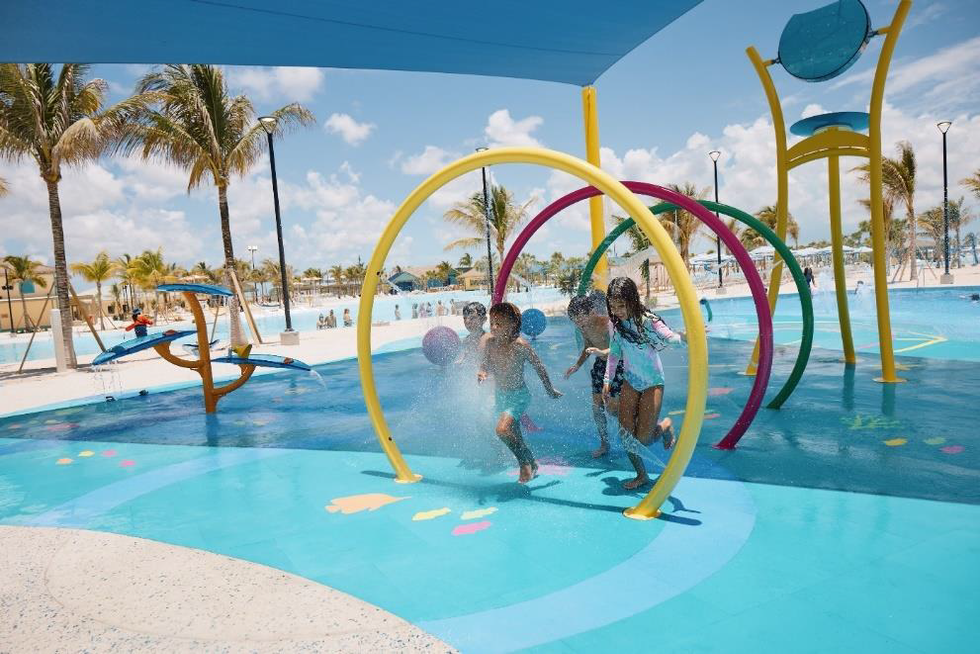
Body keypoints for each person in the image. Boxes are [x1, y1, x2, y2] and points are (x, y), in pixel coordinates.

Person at [601, 277, 685, 490]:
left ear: (633, 300)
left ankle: (664, 426)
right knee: (626, 436)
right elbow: (614, 354)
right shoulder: (617, 325)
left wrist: (683, 338)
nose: (617, 310)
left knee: (644, 440)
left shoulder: (648, 320)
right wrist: (607, 380)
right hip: (630, 381)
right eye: (613, 306)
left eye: (621, 305)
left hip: (652, 382)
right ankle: (641, 475)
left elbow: (668, 338)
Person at [478, 302, 562, 483]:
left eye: (499, 324)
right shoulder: (491, 344)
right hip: (501, 395)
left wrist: (549, 389)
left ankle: (524, 464)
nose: (493, 327)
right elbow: (485, 363)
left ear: (513, 325)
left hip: (518, 396)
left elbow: (539, 367)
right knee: (513, 434)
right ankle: (532, 462)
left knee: (502, 430)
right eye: (492, 322)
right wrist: (483, 372)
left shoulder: (520, 345)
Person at [564, 295, 625, 458]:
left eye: (580, 319)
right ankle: (605, 443)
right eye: (575, 321)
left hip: (617, 365)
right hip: (600, 365)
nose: (578, 324)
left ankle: (630, 428)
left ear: (591, 312)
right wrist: (577, 365)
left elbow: (619, 349)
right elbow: (588, 346)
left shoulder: (607, 323)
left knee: (612, 408)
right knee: (596, 407)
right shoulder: (583, 327)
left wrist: (602, 352)